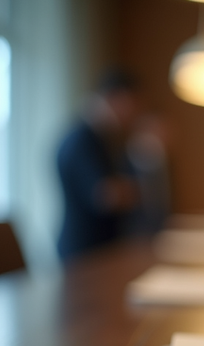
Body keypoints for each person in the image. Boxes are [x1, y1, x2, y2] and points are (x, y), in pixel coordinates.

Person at [56, 70, 142, 260]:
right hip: (83, 254)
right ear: (114, 97)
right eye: (131, 104)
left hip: (97, 251)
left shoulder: (102, 139)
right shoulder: (81, 140)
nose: (132, 114)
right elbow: (107, 196)